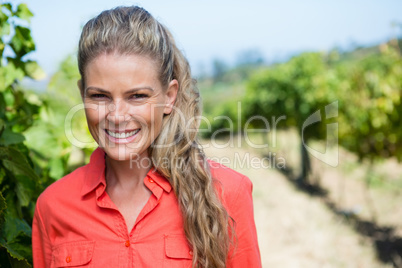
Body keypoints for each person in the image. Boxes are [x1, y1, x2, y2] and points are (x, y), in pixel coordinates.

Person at [32, 6, 261, 268]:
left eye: (137, 96)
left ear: (169, 97)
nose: (117, 115)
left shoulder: (227, 194)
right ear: (82, 92)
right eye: (99, 96)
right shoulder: (53, 206)